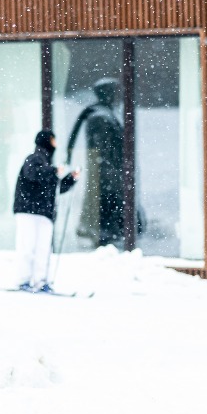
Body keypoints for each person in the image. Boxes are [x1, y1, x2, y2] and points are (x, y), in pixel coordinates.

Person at [13, 130, 79, 292]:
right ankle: (25, 280)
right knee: (28, 247)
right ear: (48, 141)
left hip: (43, 212)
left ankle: (40, 280)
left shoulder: (47, 164)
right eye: (54, 140)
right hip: (28, 211)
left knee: (43, 248)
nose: (56, 144)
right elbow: (32, 174)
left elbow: (55, 188)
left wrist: (70, 178)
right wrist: (54, 172)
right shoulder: (34, 159)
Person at [66, 78, 124, 247]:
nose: (118, 97)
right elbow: (101, 150)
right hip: (105, 171)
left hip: (107, 170)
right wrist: (110, 169)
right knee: (104, 202)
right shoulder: (99, 117)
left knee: (105, 202)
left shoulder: (103, 113)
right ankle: (103, 234)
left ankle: (106, 233)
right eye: (115, 92)